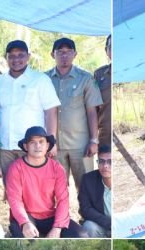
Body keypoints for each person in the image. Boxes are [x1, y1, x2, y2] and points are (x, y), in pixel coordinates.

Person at [0, 40, 60, 186]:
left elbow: (51, 111)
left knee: (34, 188)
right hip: (6, 145)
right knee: (11, 188)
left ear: (28, 56)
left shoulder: (40, 80)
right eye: (12, 56)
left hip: (33, 146)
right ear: (6, 57)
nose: (16, 59)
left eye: (20, 55)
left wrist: (52, 141)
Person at [6, 126, 85, 238]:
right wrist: (25, 223)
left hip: (50, 216)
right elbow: (14, 200)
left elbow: (63, 200)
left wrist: (57, 227)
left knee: (81, 235)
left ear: (47, 145)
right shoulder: (16, 168)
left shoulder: (56, 168)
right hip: (27, 216)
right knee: (24, 237)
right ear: (25, 146)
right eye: (32, 142)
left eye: (41, 142)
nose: (37, 146)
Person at [46, 37, 103, 190]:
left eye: (68, 52)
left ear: (75, 54)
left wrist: (93, 140)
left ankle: (87, 215)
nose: (64, 56)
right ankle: (61, 215)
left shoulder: (85, 78)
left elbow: (92, 111)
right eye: (60, 52)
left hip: (81, 145)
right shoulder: (44, 79)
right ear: (53, 54)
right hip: (53, 146)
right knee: (56, 187)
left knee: (86, 187)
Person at [78, 145, 112, 237]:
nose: (105, 166)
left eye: (110, 162)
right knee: (89, 226)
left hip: (121, 224)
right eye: (101, 161)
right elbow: (85, 209)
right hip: (102, 224)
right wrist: (110, 223)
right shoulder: (88, 179)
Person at [94, 35, 112, 149]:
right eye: (111, 47)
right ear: (106, 51)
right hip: (105, 135)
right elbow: (93, 108)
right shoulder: (99, 75)